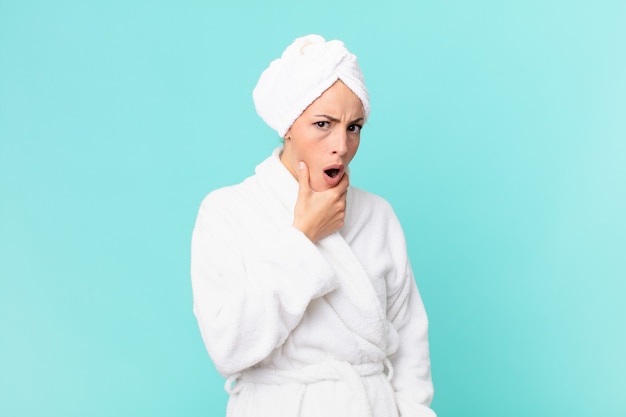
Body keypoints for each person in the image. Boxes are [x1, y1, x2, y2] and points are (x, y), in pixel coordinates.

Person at [191, 34, 436, 417]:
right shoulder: (227, 211)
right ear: (288, 125)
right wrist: (303, 237)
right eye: (323, 123)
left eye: (354, 127)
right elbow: (228, 348)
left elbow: (410, 344)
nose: (341, 144)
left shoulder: (378, 215)